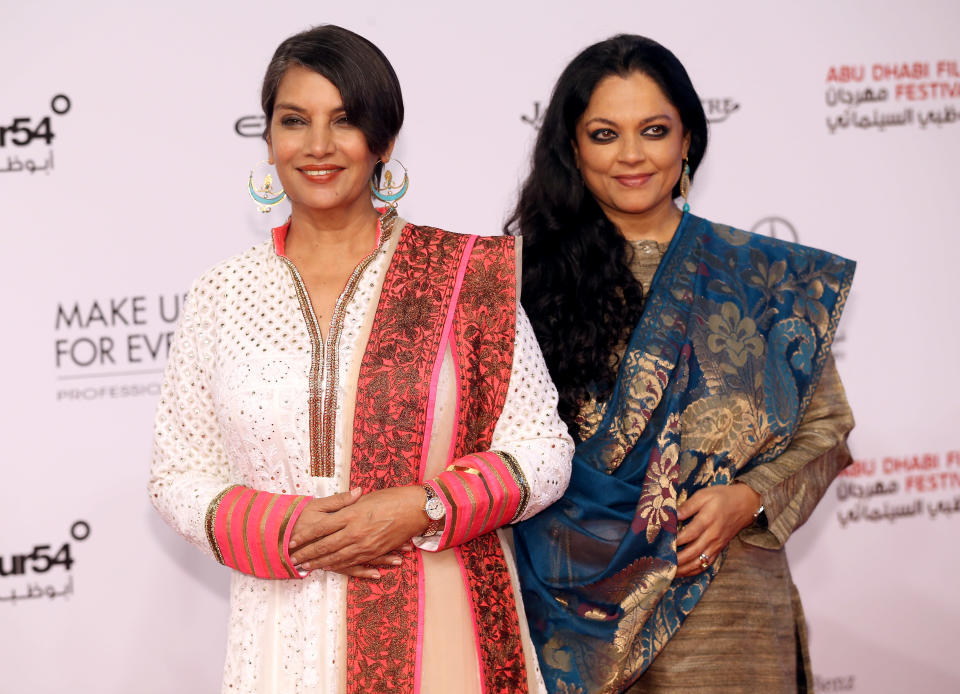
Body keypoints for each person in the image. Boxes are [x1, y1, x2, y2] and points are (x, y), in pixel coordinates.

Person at [149, 24, 573, 694]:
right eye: (295, 121)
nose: (318, 146)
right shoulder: (220, 294)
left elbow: (543, 450)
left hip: (440, 625)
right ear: (268, 139)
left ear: (383, 141)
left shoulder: (464, 279)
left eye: (344, 121)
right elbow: (178, 474)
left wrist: (425, 506)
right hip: (278, 639)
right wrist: (283, 526)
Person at [507, 35, 855, 694]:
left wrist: (749, 499)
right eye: (605, 133)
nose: (632, 155)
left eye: (655, 130)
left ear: (687, 139)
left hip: (723, 598)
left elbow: (826, 432)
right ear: (573, 148)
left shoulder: (761, 281)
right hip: (561, 610)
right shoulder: (521, 284)